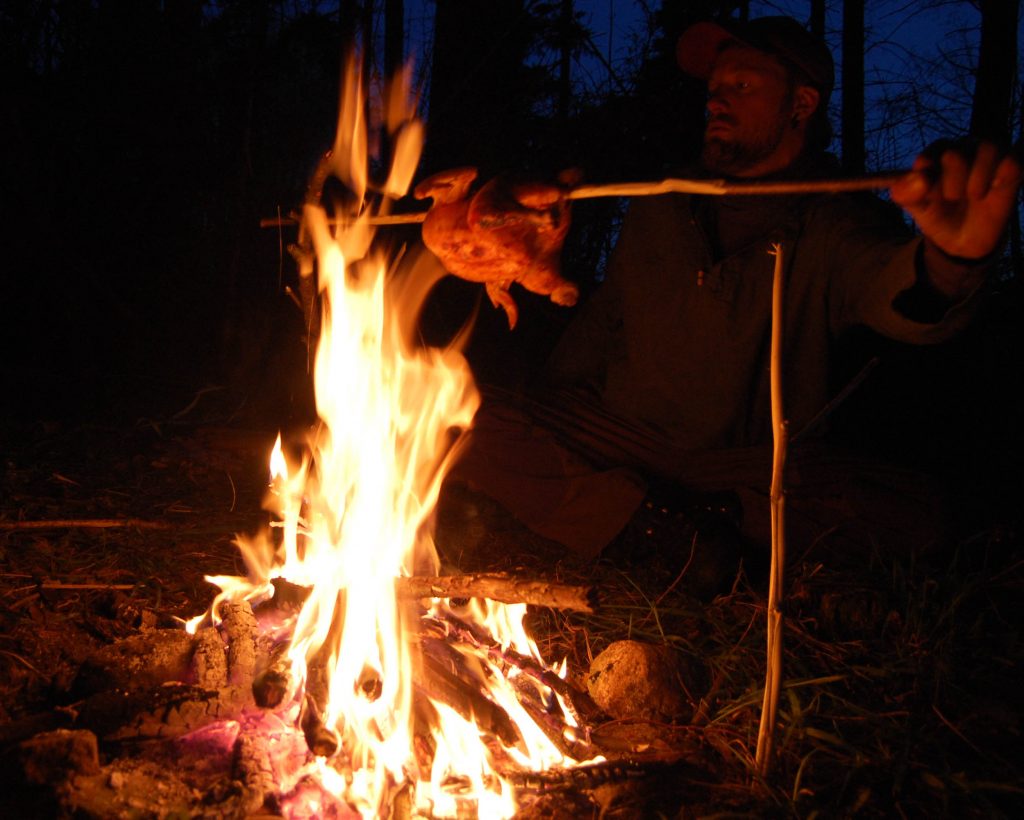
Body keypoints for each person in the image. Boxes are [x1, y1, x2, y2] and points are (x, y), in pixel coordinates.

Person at [431, 16, 1022, 580]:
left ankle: (654, 523)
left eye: (741, 84)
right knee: (453, 421)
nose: (716, 100)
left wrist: (954, 259)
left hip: (745, 462)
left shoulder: (833, 221)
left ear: (801, 104)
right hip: (619, 432)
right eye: (715, 88)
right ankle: (670, 534)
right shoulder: (662, 201)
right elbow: (604, 321)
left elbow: (903, 294)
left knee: (922, 513)